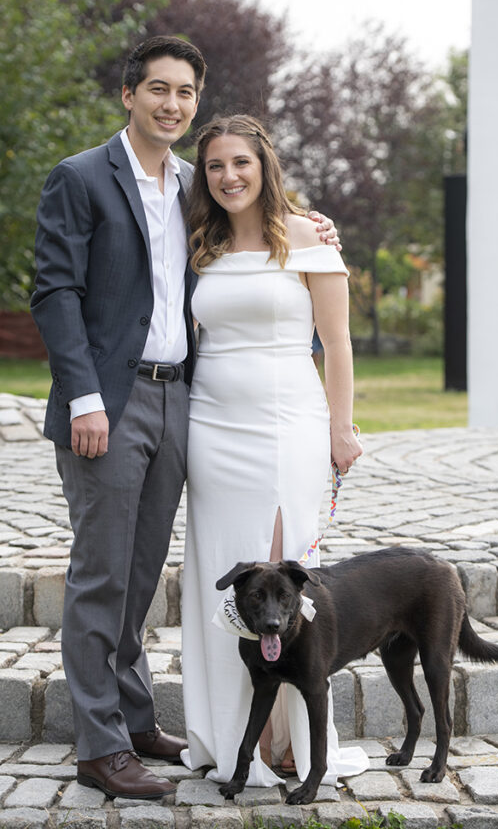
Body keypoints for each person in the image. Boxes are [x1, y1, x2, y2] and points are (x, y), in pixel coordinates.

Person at [30, 37, 338, 802]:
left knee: (140, 576)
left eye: (185, 92)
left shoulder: (194, 187)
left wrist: (312, 226)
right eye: (157, 89)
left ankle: (135, 719)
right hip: (109, 402)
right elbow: (55, 294)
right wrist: (84, 399)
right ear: (128, 94)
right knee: (100, 574)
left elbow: (258, 226)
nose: (172, 103)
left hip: (183, 400)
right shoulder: (80, 177)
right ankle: (100, 748)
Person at [180, 115, 369, 789]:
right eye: (213, 167)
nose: (228, 177)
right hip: (212, 427)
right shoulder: (199, 242)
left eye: (240, 163)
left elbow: (337, 343)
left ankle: (293, 739)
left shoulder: (310, 236)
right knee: (224, 572)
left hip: (290, 422)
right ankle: (236, 739)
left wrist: (340, 428)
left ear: (264, 166)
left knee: (290, 577)